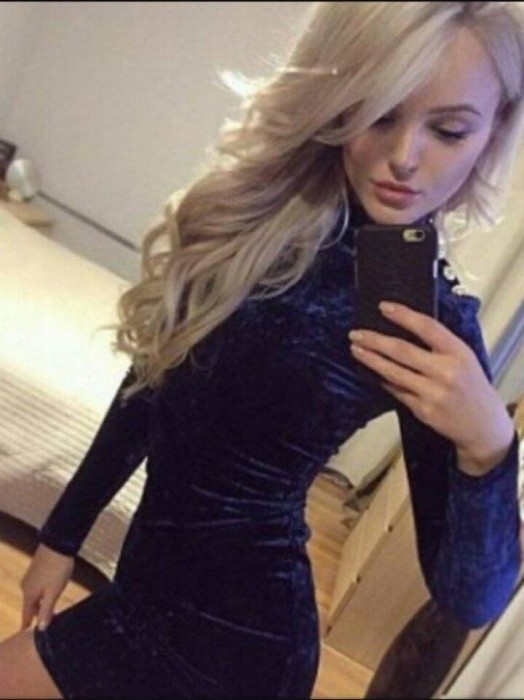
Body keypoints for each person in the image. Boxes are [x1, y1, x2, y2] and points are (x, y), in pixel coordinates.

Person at [1, 2, 523, 698]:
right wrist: (62, 537)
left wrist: (489, 447)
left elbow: (471, 599)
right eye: (379, 113)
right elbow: (153, 380)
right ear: (338, 99)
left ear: (493, 131)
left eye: (449, 129)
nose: (405, 156)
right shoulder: (257, 222)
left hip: (241, 651)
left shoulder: (425, 319)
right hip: (144, 598)